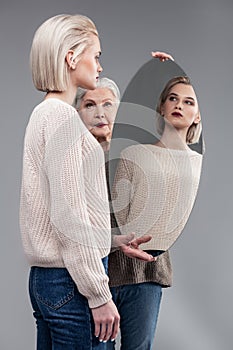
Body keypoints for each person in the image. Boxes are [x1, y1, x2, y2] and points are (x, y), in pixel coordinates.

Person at [19, 14, 122, 350]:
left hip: (49, 280)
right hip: (72, 283)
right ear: (71, 57)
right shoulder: (62, 117)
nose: (99, 66)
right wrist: (98, 295)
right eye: (97, 55)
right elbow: (68, 217)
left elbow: (56, 211)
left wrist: (112, 242)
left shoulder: (43, 114)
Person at [76, 70, 189, 350]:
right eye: (90, 104)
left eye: (108, 104)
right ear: (77, 112)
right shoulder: (70, 161)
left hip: (145, 273)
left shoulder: (144, 150)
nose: (100, 113)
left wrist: (167, 68)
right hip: (97, 278)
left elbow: (176, 120)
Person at [109, 75, 203, 350]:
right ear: (161, 107)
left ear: (198, 115)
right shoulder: (133, 154)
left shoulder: (200, 165)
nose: (179, 105)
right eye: (173, 98)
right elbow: (115, 215)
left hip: (150, 272)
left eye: (189, 102)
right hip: (109, 267)